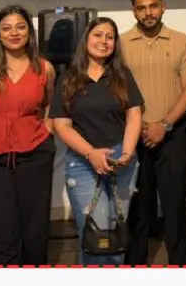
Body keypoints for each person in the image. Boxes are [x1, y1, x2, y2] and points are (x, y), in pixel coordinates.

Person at [0, 6, 56, 265]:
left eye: (20, 26)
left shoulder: (44, 68)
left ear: (29, 32)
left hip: (34, 156)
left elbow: (49, 104)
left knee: (34, 230)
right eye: (6, 28)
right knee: (0, 231)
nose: (14, 33)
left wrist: (47, 129)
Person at [51, 17, 145, 265]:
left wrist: (127, 153)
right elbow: (61, 125)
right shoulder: (69, 77)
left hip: (121, 160)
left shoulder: (122, 75)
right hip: (82, 162)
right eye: (98, 35)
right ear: (86, 39)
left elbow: (134, 115)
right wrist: (91, 153)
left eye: (110, 37)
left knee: (116, 230)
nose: (104, 41)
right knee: (95, 231)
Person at [121, 0, 186, 265]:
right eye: (141, 8)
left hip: (172, 132)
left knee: (174, 204)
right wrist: (138, 126)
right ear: (134, 11)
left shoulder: (181, 41)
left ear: (163, 6)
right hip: (134, 135)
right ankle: (136, 265)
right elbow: (116, 90)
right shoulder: (120, 43)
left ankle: (180, 264)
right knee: (138, 206)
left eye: (153, 6)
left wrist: (163, 125)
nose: (148, 13)